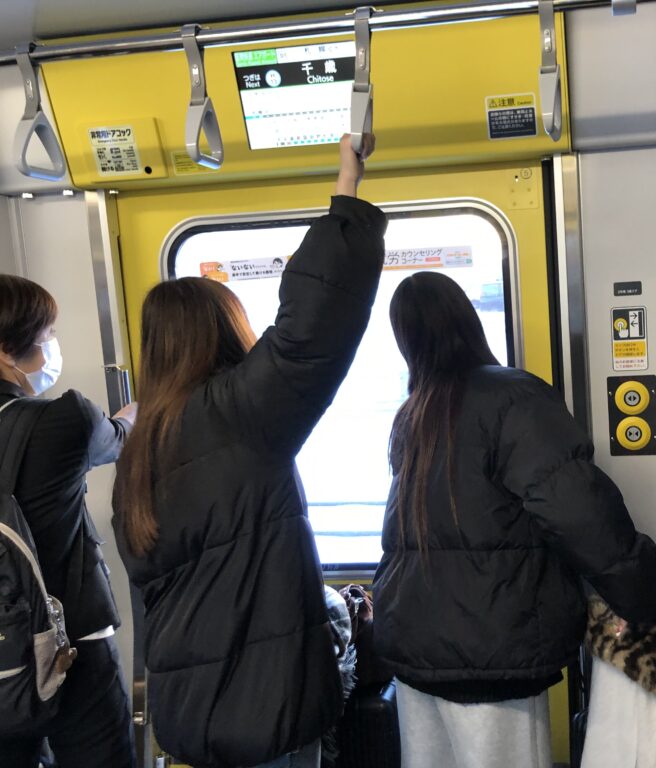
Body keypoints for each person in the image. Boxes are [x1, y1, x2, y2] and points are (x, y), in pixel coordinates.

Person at [112, 135, 386, 768]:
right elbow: (310, 328)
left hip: (188, 705)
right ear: (222, 332)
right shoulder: (234, 415)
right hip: (261, 704)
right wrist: (347, 188)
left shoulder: (141, 447)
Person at [372, 271, 656, 768]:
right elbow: (578, 511)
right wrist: (650, 596)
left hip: (413, 642)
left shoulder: (414, 413)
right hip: (493, 644)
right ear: (468, 322)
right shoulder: (514, 397)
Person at [0, 275, 137, 768]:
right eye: (48, 334)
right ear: (6, 351)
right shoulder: (63, 420)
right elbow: (119, 435)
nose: (53, 345)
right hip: (71, 644)